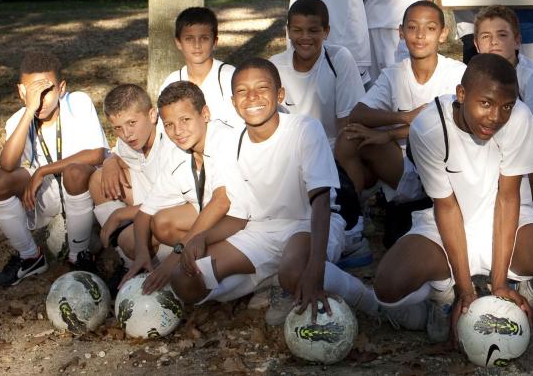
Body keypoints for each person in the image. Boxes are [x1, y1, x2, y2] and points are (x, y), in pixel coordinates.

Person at [372, 54, 533, 343]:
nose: (496, 117)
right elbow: (446, 207)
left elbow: (508, 199)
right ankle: (442, 298)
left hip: (509, 219)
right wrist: (464, 289)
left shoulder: (520, 118)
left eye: (506, 106)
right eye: (485, 103)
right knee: (388, 285)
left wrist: (499, 284)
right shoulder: (428, 127)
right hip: (446, 223)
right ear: (461, 94)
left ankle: (526, 293)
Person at [165, 59, 378, 323]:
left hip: (309, 224)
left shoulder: (303, 129)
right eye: (242, 91)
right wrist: (202, 237)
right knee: (184, 280)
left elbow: (321, 203)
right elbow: (241, 217)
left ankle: (369, 300)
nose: (251, 97)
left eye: (262, 88)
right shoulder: (232, 144)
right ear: (233, 102)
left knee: (296, 271)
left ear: (279, 95)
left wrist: (314, 269)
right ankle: (273, 282)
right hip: (260, 232)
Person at [0, 51, 109, 286]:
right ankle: (30, 256)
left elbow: (97, 153)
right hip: (50, 191)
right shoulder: (18, 120)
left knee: (75, 171)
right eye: (33, 92)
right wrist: (29, 110)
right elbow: (7, 165)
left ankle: (79, 256)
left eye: (47, 90)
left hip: (86, 186)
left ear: (61, 88)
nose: (41, 99)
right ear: (22, 92)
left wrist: (42, 171)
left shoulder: (78, 102)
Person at [337, 1, 466, 203]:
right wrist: (405, 116)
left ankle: (400, 202)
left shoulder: (457, 73)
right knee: (349, 136)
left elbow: (448, 126)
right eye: (412, 27)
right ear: (401, 32)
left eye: (430, 28)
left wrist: (389, 134)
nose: (420, 35)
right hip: (400, 163)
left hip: (441, 164)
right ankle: (354, 216)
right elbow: (357, 114)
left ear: (443, 34)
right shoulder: (394, 74)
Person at [120, 81, 239, 292]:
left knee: (187, 283)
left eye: (185, 120)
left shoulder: (224, 138)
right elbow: (145, 213)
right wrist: (141, 256)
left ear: (205, 114)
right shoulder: (178, 153)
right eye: (169, 125)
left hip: (245, 219)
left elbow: (221, 202)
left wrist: (174, 257)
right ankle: (188, 262)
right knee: (148, 230)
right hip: (212, 217)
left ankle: (255, 279)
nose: (178, 131)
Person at [90, 84, 170, 266]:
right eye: (118, 128)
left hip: (174, 209)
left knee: (130, 241)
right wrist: (109, 161)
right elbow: (118, 152)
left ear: (152, 115)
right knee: (99, 179)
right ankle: (127, 262)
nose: (126, 134)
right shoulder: (130, 139)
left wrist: (120, 214)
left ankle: (152, 260)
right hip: (150, 195)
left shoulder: (170, 141)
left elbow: (173, 200)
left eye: (132, 123)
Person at [269, 0, 363, 147]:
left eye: (313, 31)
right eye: (297, 30)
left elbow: (347, 121)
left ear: (326, 31)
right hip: (290, 150)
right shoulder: (275, 65)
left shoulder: (339, 58)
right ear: (288, 31)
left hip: (332, 148)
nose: (305, 37)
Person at [158, 6, 242, 128]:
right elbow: (164, 128)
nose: (197, 45)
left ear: (215, 42)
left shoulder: (231, 77)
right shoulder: (172, 81)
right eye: (189, 39)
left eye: (204, 38)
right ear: (178, 43)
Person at [472, 5, 533, 112]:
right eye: (485, 36)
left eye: (502, 35)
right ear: (476, 45)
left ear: (517, 41)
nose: (493, 42)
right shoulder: (472, 75)